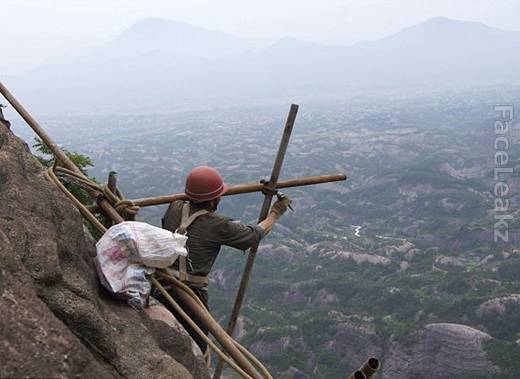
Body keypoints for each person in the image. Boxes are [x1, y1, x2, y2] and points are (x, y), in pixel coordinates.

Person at [155, 165, 291, 354]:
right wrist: (276, 212)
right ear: (213, 200)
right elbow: (253, 235)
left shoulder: (174, 206)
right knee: (198, 348)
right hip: (190, 295)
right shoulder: (218, 225)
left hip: (160, 287)